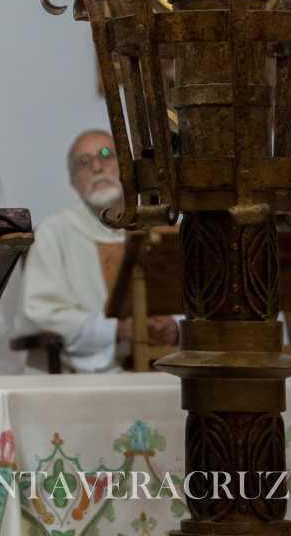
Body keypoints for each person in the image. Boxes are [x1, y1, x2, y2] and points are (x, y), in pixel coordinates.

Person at [20, 129, 179, 372]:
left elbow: (200, 304)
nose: (96, 167)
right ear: (73, 181)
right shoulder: (54, 232)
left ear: (128, 167)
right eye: (83, 162)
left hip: (171, 368)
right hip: (90, 377)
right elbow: (41, 312)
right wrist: (116, 330)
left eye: (107, 155)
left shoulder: (163, 228)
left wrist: (175, 327)